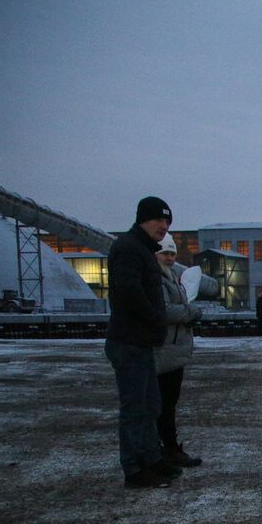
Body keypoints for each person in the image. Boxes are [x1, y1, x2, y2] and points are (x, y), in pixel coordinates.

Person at [105, 196, 181, 489]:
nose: (164, 226)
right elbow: (129, 293)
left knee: (151, 403)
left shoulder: (142, 249)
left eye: (167, 222)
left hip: (141, 341)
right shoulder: (128, 249)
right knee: (135, 407)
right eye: (159, 220)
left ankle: (152, 458)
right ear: (143, 219)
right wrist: (156, 318)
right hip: (129, 341)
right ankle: (134, 468)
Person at [154, 234, 203, 467]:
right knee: (163, 404)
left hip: (173, 352)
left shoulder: (171, 277)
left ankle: (166, 447)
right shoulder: (158, 279)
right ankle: (167, 449)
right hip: (164, 351)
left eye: (172, 253)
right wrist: (191, 312)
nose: (170, 257)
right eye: (165, 253)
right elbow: (163, 311)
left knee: (168, 403)